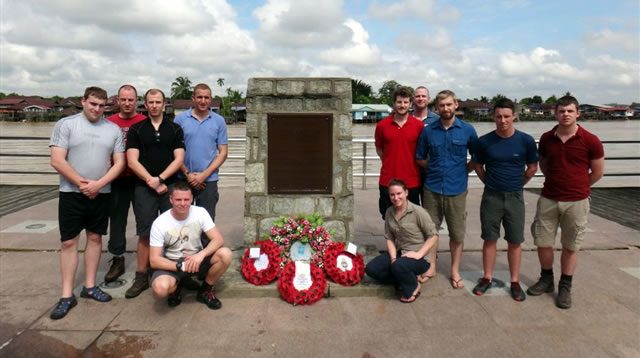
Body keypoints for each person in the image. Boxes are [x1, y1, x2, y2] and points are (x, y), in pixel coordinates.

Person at [48, 86, 125, 319]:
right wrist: (84, 184)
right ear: (83, 101)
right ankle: (66, 295)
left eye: (102, 105)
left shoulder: (113, 129)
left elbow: (119, 163)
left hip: (101, 193)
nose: (97, 109)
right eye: (93, 104)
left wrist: (98, 185)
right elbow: (57, 161)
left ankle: (90, 286)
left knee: (95, 238)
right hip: (72, 192)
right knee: (69, 242)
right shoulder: (66, 125)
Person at [528, 95, 604, 309]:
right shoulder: (546, 138)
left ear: (578, 113)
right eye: (561, 111)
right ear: (555, 113)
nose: (566, 115)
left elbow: (598, 172)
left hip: (577, 200)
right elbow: (543, 164)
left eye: (570, 111)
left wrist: (579, 186)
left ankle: (565, 285)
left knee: (571, 245)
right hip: (549, 197)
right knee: (542, 241)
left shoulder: (590, 140)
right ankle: (546, 278)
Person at [471, 98, 538, 301]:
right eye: (499, 116)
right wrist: (490, 182)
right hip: (491, 195)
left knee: (515, 241)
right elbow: (478, 166)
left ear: (514, 116)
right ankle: (487, 277)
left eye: (507, 116)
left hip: (515, 196)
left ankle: (515, 281)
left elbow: (532, 167)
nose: (502, 120)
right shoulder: (484, 141)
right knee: (489, 239)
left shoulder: (525, 140)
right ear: (493, 117)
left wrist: (518, 184)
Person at [125, 89, 185, 298]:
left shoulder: (175, 129)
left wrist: (160, 179)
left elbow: (178, 159)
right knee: (145, 231)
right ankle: (142, 275)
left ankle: (173, 273)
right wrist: (151, 181)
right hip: (144, 187)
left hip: (169, 186)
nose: (154, 105)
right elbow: (132, 160)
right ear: (145, 105)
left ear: (164, 104)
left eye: (158, 102)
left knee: (173, 231)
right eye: (150, 102)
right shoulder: (136, 129)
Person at [415, 89, 478, 289]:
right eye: (442, 105)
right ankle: (431, 267)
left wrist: (462, 171)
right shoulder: (428, 131)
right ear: (437, 108)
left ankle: (454, 270)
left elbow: (476, 158)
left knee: (457, 234)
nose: (445, 108)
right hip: (432, 188)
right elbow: (419, 157)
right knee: (431, 231)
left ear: (456, 105)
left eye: (449, 104)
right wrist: (434, 169)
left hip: (457, 190)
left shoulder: (467, 130)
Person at [149, 181, 232, 309]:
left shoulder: (200, 212)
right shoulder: (160, 223)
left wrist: (201, 255)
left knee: (225, 254)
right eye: (178, 199)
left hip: (196, 260)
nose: (183, 203)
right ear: (171, 200)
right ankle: (175, 289)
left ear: (192, 199)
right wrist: (180, 266)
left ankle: (205, 290)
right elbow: (154, 260)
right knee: (161, 289)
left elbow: (218, 239)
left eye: (186, 199)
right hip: (172, 264)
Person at [365, 179, 439, 303]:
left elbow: (433, 236)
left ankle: (413, 287)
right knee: (371, 269)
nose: (396, 197)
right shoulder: (389, 212)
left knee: (399, 266)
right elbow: (389, 238)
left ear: (406, 193)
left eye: (399, 193)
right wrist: (393, 258)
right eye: (392, 194)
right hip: (399, 252)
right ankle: (406, 278)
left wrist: (419, 254)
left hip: (418, 257)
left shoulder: (418, 212)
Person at [104, 85, 146, 284]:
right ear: (118, 101)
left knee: (145, 222)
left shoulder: (144, 122)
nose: (127, 103)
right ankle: (117, 258)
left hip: (140, 180)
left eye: (131, 100)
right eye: (124, 99)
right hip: (117, 180)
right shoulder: (109, 123)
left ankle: (147, 261)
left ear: (137, 100)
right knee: (117, 221)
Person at [174, 83, 228, 226]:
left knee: (206, 222)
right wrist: (187, 174)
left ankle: (206, 248)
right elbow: (174, 151)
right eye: (199, 97)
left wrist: (204, 174)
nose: (203, 101)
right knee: (181, 220)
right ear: (193, 98)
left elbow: (223, 152)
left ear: (210, 99)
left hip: (208, 180)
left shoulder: (219, 121)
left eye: (206, 97)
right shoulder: (180, 120)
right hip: (183, 177)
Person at [374, 87, 424, 219]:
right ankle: (391, 240)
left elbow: (422, 151)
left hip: (411, 180)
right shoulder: (382, 126)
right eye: (399, 102)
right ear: (394, 104)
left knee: (411, 218)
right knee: (388, 216)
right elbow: (379, 149)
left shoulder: (418, 126)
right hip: (387, 179)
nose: (402, 105)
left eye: (405, 102)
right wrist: (390, 161)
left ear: (410, 104)